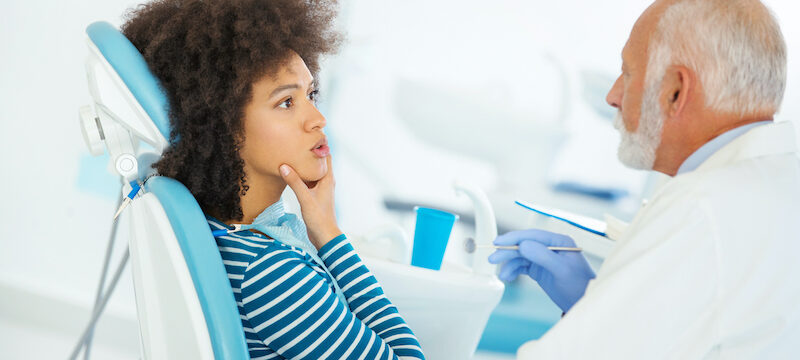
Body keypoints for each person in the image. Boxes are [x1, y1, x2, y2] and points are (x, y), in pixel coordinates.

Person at [489, 0, 800, 358]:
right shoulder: (781, 183)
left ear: (675, 92)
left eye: (629, 73)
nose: (613, 95)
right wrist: (595, 304)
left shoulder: (700, 204)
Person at [121, 1, 425, 359]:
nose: (317, 119)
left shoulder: (231, 234)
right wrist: (328, 233)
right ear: (224, 127)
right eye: (286, 102)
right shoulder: (271, 274)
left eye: (310, 94)